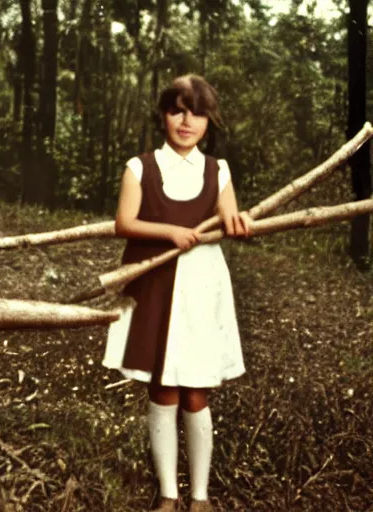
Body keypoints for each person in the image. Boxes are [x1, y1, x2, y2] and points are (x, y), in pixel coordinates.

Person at [103, 74, 250, 512]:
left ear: (209, 121)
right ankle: (169, 492)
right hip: (156, 286)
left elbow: (227, 220)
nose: (187, 122)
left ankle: (200, 496)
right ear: (164, 115)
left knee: (196, 390)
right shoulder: (140, 167)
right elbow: (124, 223)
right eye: (178, 110)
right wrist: (170, 231)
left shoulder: (217, 169)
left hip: (201, 289)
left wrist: (239, 223)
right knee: (163, 388)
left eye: (198, 113)